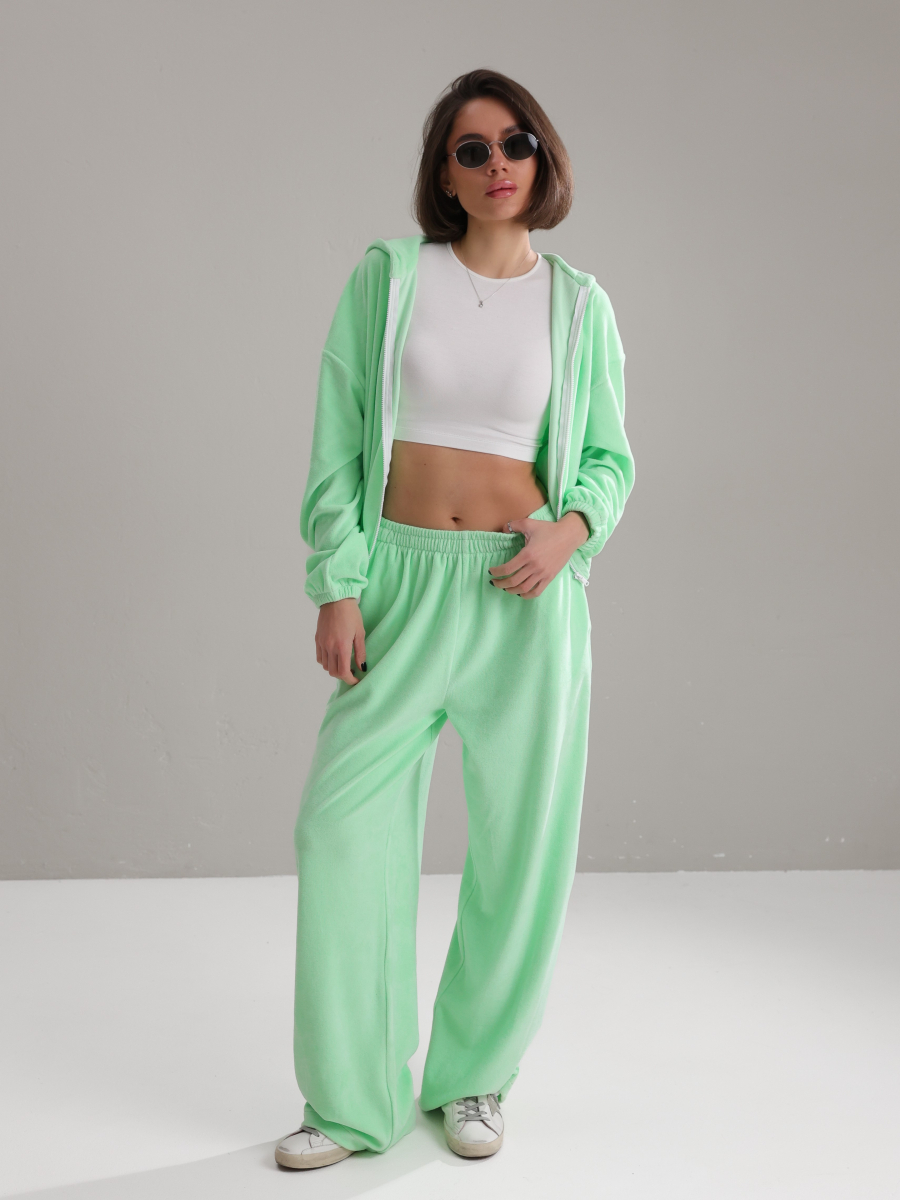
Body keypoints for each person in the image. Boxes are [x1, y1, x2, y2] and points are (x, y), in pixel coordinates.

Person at [275, 67, 635, 1171]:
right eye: (470, 149)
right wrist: (338, 580)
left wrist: (570, 534)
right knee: (342, 828)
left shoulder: (579, 303)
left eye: (515, 143)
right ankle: (350, 1104)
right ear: (444, 172)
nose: (496, 165)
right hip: (399, 580)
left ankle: (474, 1076)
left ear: (543, 157)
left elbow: (609, 457)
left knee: (523, 845)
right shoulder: (391, 277)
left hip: (522, 597)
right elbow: (339, 436)